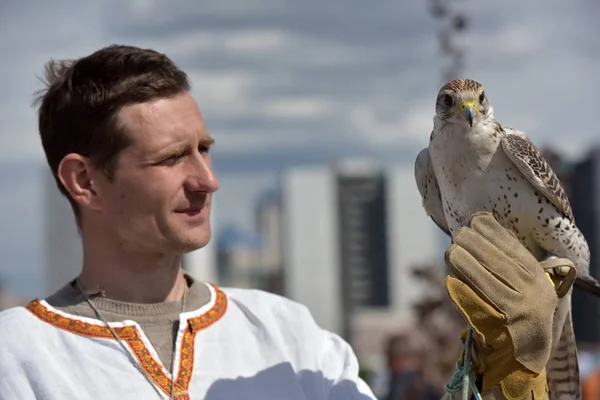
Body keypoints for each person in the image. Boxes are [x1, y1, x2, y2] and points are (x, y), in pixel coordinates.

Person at [0, 45, 575, 400]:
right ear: (85, 181)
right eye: (172, 158)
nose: (208, 179)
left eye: (206, 150)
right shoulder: (17, 358)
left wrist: (501, 381)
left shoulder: (290, 336)